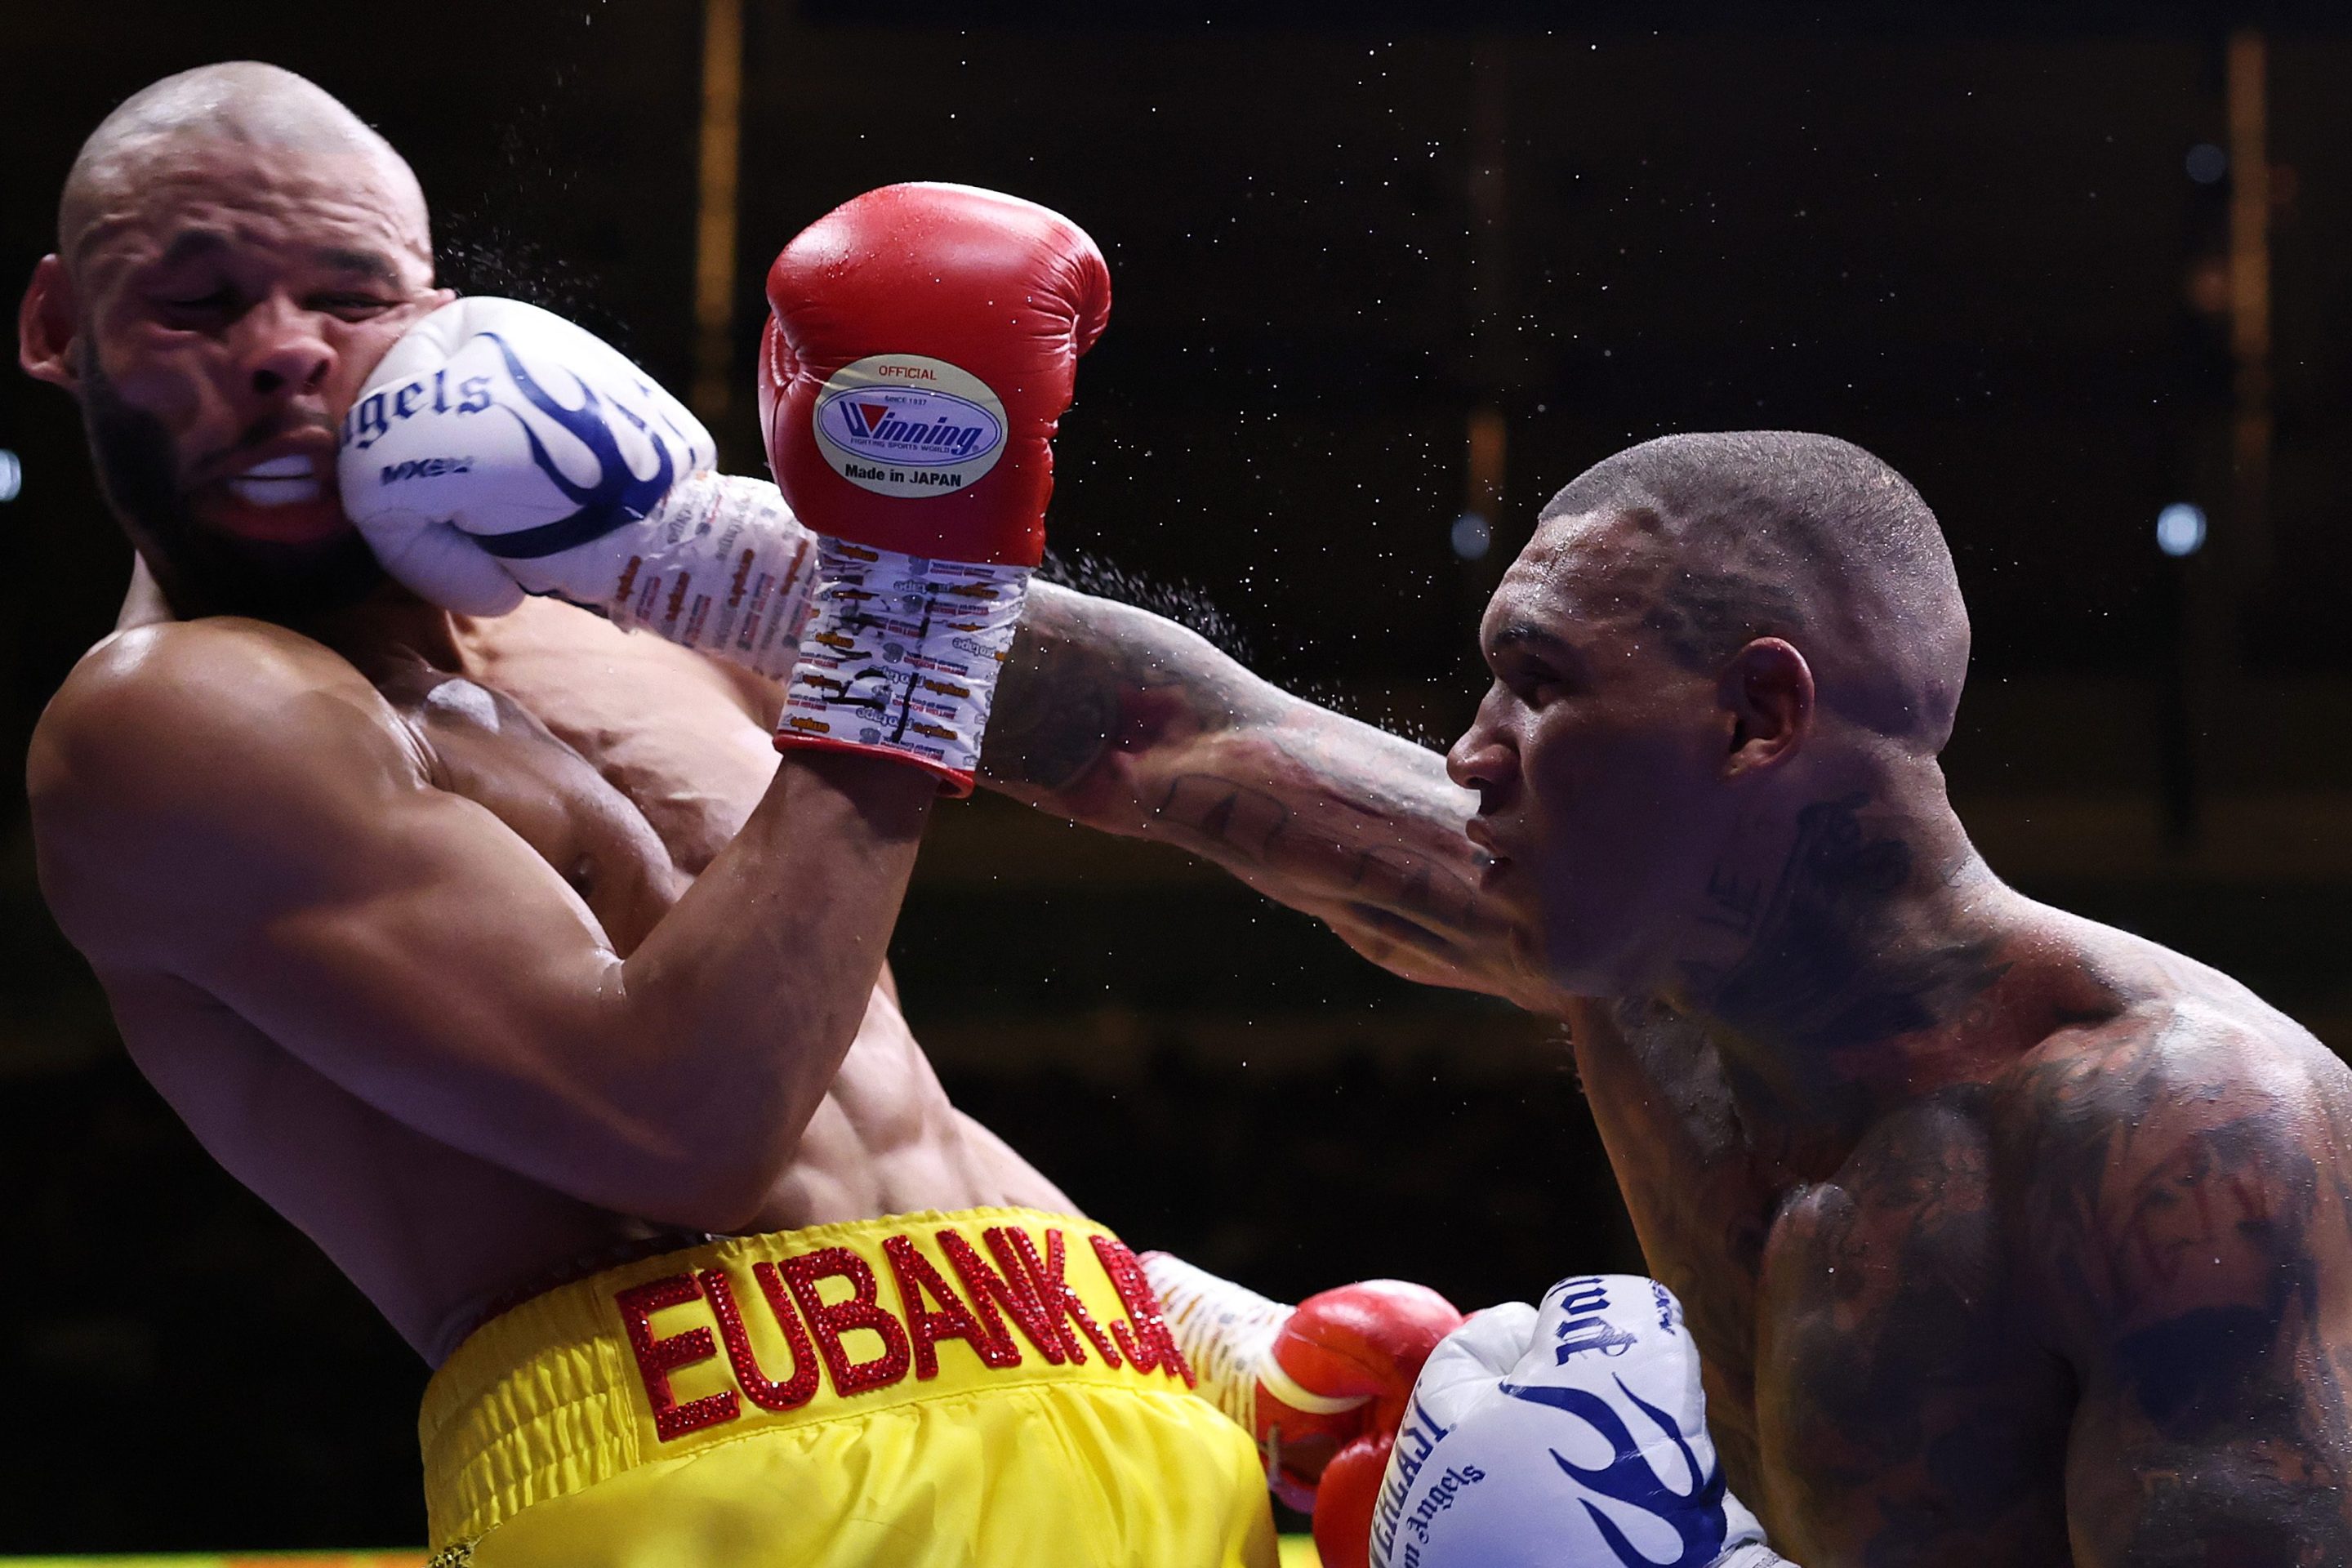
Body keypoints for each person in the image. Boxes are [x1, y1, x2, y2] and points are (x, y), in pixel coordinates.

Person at [19, 63, 1477, 1568]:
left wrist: (1221, 1337)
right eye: (195, 307)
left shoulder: (643, 594)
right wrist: (911, 607)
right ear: (61, 330)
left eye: (348, 292)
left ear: (435, 311)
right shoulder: (168, 721)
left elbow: (1123, 754)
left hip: (1104, 1385)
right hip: (717, 1476)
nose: (280, 355)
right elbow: (686, 1124)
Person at [990, 430, 2352, 1565]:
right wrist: (796, 576)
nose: (1468, 753)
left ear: (1758, 718)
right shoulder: (1646, 958)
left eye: (1540, 684)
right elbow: (1173, 735)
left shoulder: (2181, 1142)